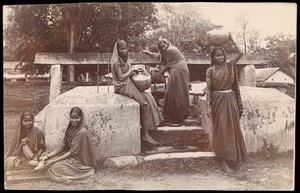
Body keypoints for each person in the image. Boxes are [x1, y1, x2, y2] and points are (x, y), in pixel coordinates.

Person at [205, 33, 247, 174]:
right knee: (222, 130)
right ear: (213, 57)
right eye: (217, 55)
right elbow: (209, 89)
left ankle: (234, 159)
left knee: (233, 128)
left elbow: (240, 52)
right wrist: (208, 106)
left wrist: (232, 38)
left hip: (230, 100)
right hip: (217, 101)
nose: (220, 58)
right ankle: (223, 160)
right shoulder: (210, 71)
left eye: (222, 55)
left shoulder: (230, 65)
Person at [110, 40, 164, 146]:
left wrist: (140, 70)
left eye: (125, 48)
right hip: (122, 86)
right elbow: (121, 78)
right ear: (117, 50)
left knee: (150, 97)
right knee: (144, 104)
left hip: (129, 83)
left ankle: (153, 124)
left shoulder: (125, 59)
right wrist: (132, 70)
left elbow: (130, 73)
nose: (124, 51)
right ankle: (146, 134)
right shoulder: (116, 61)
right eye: (121, 49)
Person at [39, 107, 97, 184]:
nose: (74, 120)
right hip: (71, 156)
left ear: (81, 118)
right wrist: (48, 156)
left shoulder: (82, 132)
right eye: (72, 117)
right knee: (47, 158)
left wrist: (53, 161)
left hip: (79, 161)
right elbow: (63, 145)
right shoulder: (71, 128)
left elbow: (71, 152)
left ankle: (86, 173)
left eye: (77, 118)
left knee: (55, 166)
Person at [143, 39, 190, 126]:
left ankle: (179, 117)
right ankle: (172, 116)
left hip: (179, 70)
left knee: (178, 93)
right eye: (161, 47)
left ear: (167, 43)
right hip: (176, 70)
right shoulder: (167, 51)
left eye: (164, 45)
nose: (163, 48)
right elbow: (160, 57)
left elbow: (168, 64)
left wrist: (160, 72)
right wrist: (149, 53)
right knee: (171, 93)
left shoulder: (171, 50)